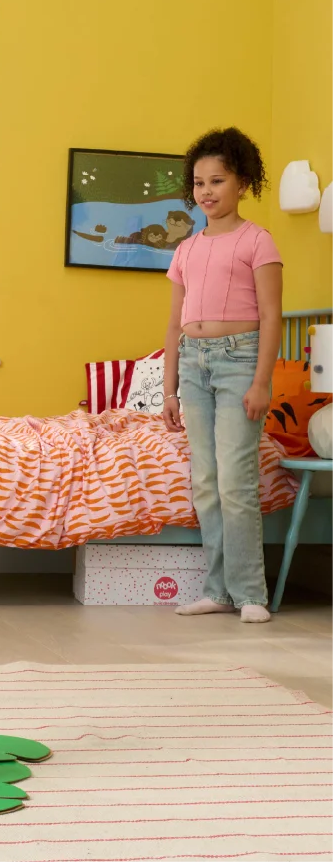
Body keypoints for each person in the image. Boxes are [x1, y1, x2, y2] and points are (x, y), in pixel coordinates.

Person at [161, 128, 282, 623]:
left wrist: (261, 382)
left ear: (243, 183)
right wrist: (168, 388)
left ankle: (251, 592)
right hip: (193, 363)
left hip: (239, 361)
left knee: (235, 481)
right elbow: (173, 322)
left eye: (218, 181)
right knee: (207, 482)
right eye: (199, 183)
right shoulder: (187, 249)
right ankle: (219, 590)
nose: (207, 192)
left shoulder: (259, 241)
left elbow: (273, 316)